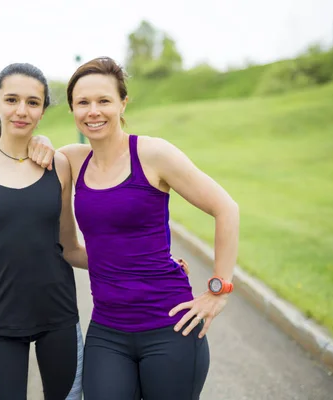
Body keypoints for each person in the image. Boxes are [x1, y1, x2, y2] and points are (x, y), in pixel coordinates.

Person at [29, 56, 240, 399]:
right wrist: (42, 143)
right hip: (107, 332)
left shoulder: (154, 154)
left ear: (122, 103)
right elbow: (71, 250)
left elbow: (226, 208)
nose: (93, 111)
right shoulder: (73, 160)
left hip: (170, 326)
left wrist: (218, 290)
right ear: (72, 109)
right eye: (83, 102)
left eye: (104, 101)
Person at [0, 62, 88, 400]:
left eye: (32, 102)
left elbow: (69, 245)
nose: (21, 111)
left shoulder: (59, 165)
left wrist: (145, 264)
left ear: (42, 111)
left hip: (60, 318)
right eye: (11, 100)